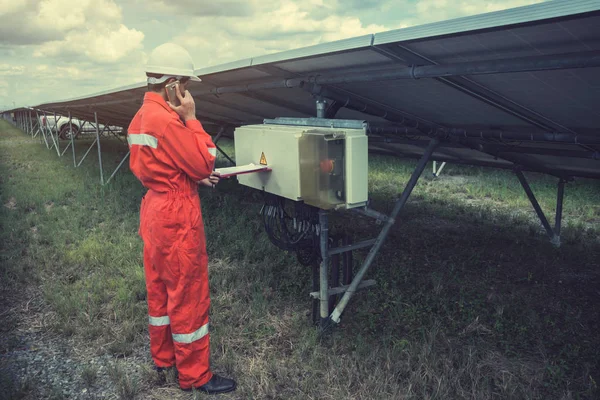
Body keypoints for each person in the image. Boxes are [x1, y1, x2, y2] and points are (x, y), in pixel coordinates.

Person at [127, 43, 236, 395]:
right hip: (177, 215)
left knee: (159, 288)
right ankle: (195, 375)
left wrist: (188, 176)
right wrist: (191, 117)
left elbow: (160, 163)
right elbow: (205, 159)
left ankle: (163, 359)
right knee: (187, 294)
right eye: (186, 85)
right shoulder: (168, 119)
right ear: (173, 84)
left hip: (155, 208)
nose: (187, 92)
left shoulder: (141, 116)